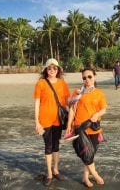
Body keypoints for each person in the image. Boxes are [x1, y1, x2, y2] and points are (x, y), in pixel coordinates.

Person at [66, 68, 107, 188]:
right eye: (84, 78)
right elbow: (72, 111)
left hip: (93, 129)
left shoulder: (99, 93)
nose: (87, 79)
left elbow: (103, 109)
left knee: (90, 155)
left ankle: (85, 177)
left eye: (89, 76)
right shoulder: (78, 92)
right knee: (86, 154)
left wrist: (96, 114)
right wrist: (69, 125)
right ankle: (95, 174)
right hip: (80, 128)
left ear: (94, 77)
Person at [33, 58, 70, 186]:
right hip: (44, 120)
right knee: (48, 146)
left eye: (55, 68)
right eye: (49, 68)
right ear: (46, 70)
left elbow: (67, 102)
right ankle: (49, 173)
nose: (52, 70)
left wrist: (72, 118)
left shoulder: (62, 83)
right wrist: (37, 122)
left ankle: (55, 169)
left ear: (58, 70)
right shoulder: (41, 83)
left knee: (56, 145)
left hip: (58, 120)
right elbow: (37, 103)